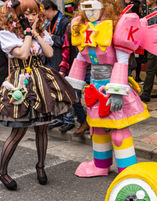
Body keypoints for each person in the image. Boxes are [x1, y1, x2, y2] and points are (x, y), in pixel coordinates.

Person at [65, 0, 150, 177]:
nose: (89, 12)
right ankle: (100, 165)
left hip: (112, 82)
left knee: (119, 130)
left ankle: (128, 170)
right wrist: (73, 87)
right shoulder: (82, 27)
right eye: (85, 8)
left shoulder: (118, 26)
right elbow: (81, 58)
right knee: (97, 128)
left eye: (93, 7)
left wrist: (117, 92)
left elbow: (122, 60)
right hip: (94, 86)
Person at [0, 0, 76, 190]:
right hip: (20, 81)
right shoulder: (6, 35)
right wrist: (27, 34)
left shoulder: (40, 32)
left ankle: (40, 166)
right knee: (19, 130)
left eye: (34, 13)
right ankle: (2, 171)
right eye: (26, 14)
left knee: (42, 128)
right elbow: (24, 54)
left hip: (40, 80)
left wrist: (36, 34)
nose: (31, 17)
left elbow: (49, 53)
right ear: (16, 16)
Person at [42, 0, 75, 133]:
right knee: (55, 91)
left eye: (43, 11)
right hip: (50, 59)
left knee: (64, 91)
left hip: (61, 61)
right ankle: (60, 117)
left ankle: (69, 119)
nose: (43, 15)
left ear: (49, 9)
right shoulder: (48, 22)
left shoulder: (65, 22)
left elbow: (67, 43)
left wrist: (51, 37)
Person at [59, 21, 90, 137]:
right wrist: (63, 68)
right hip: (77, 66)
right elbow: (66, 49)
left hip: (95, 67)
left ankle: (98, 126)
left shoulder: (100, 23)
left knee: (97, 98)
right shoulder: (72, 26)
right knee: (73, 96)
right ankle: (83, 121)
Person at [140, 0, 157, 102]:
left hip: (154, 45)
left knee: (150, 70)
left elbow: (155, 29)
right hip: (155, 45)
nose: (146, 1)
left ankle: (146, 94)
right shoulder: (153, 11)